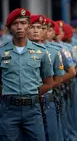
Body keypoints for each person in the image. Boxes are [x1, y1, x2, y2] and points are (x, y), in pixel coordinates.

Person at [0, 8, 54, 140]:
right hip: (8, 110)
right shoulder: (1, 52)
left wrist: (32, 94)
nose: (19, 27)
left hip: (33, 110)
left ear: (28, 26)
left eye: (23, 23)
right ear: (9, 28)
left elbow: (49, 82)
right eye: (15, 23)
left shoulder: (41, 52)